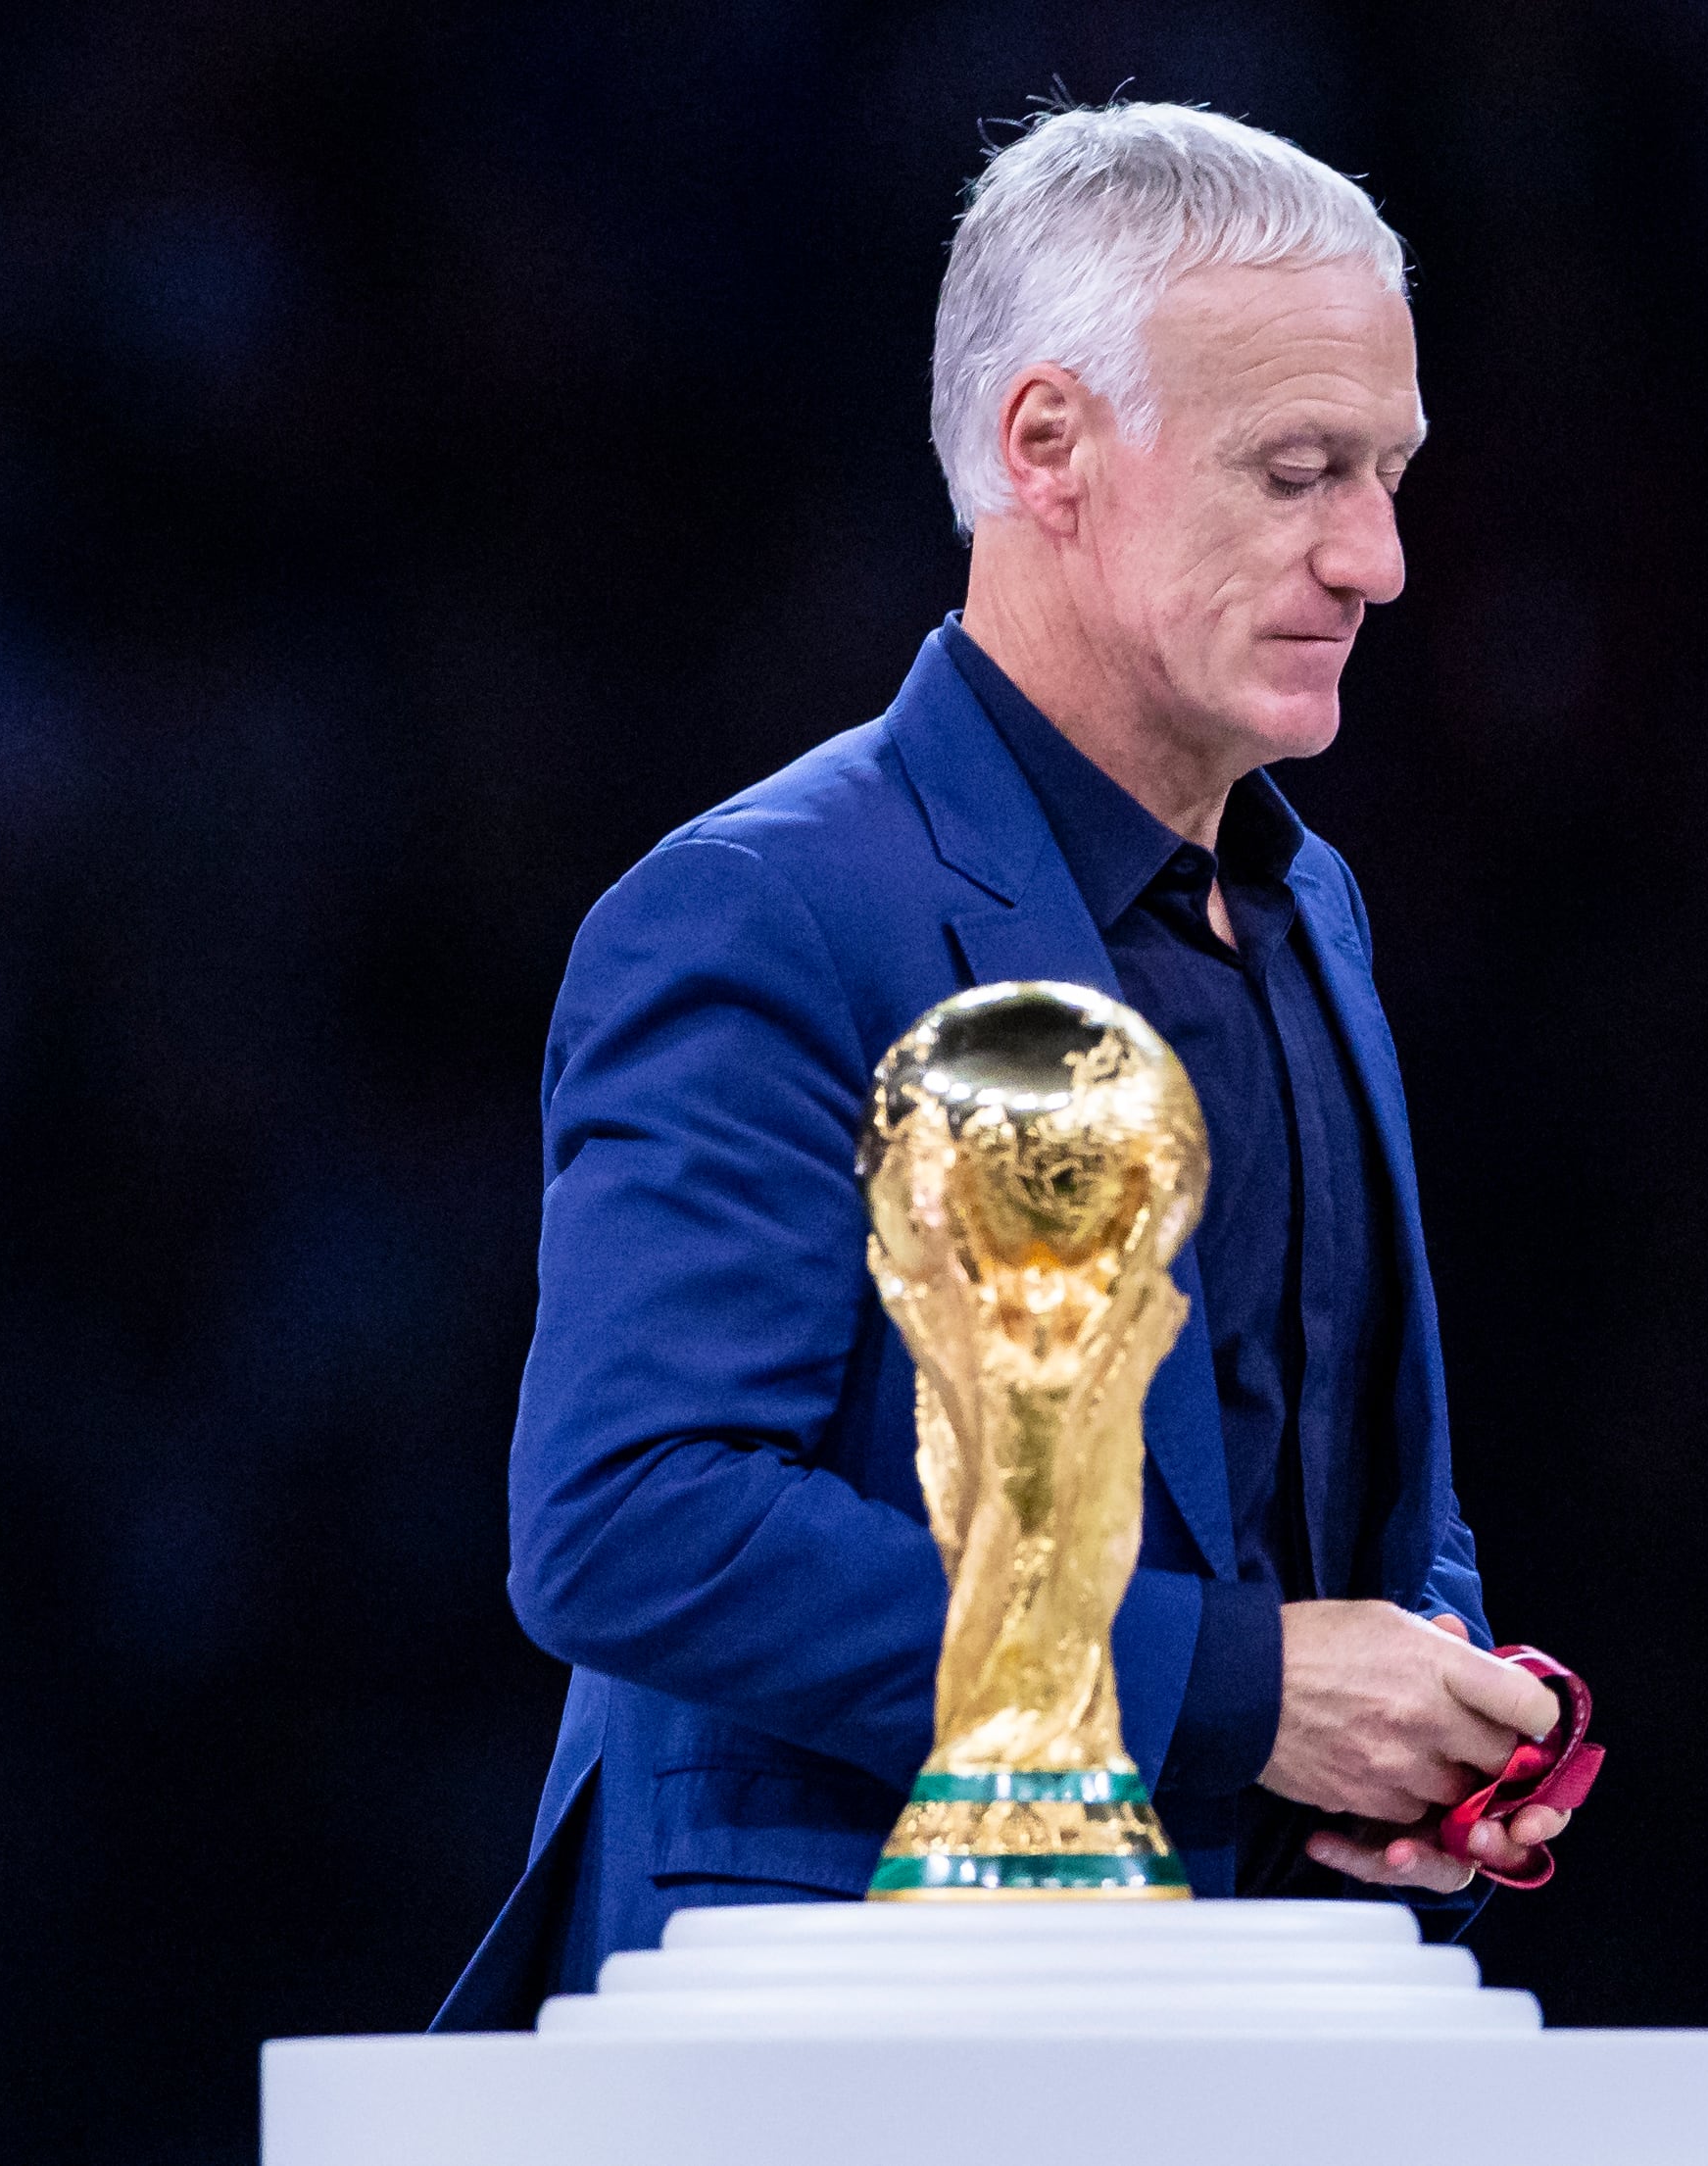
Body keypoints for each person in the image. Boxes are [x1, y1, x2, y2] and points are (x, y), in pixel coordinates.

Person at [435, 101, 1586, 2029]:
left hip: (1252, 2024)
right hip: (812, 2028)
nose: (1377, 557)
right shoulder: (765, 910)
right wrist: (1250, 1696)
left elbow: (1345, 1488)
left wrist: (1418, 1734)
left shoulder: (1315, 910)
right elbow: (627, 1517)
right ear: (1047, 447)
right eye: (1297, 471)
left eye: (1383, 473)